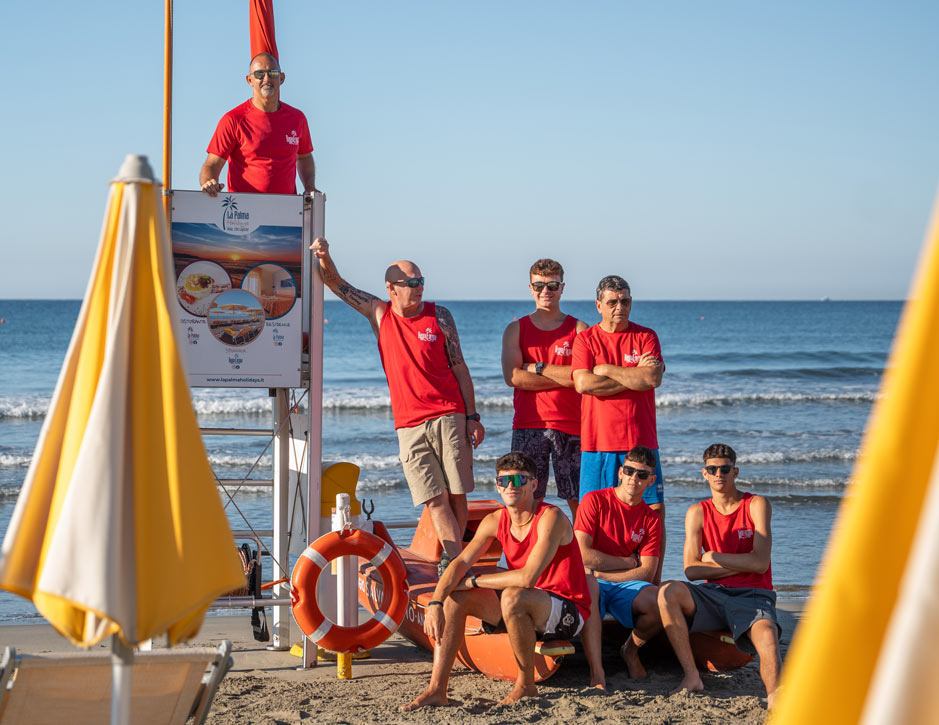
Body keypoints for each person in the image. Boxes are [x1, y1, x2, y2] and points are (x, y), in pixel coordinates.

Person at [310, 237, 483, 569]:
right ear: (392, 288)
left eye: (421, 281)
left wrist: (473, 416)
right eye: (411, 283)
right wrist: (325, 255)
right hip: (409, 424)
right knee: (433, 499)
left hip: (450, 414)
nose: (419, 288)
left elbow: (460, 367)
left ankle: (452, 562)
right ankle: (457, 562)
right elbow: (336, 283)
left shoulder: (440, 316)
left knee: (456, 493)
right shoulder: (379, 314)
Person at [400, 451, 591, 710]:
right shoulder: (495, 520)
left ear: (534, 484)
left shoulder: (551, 517)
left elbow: (527, 577)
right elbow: (459, 564)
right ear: (497, 486)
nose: (511, 486)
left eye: (519, 480)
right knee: (457, 599)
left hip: (566, 610)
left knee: (512, 595)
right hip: (522, 605)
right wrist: (435, 602)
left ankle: (526, 686)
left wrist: (475, 582)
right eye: (504, 481)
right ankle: (437, 689)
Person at [657, 443, 782, 707]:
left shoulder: (756, 504)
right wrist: (742, 564)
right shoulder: (697, 512)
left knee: (767, 634)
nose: (719, 474)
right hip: (713, 594)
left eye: (725, 469)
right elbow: (691, 570)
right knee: (668, 592)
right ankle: (692, 676)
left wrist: (713, 557)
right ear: (704, 473)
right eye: (712, 469)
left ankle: (774, 697)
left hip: (753, 595)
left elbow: (760, 564)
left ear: (735, 471)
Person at [571, 274, 666, 582]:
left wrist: (608, 370)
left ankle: (651, 587)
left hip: (642, 441)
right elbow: (584, 383)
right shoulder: (586, 339)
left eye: (625, 301)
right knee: (593, 519)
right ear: (599, 305)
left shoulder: (646, 336)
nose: (619, 308)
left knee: (654, 511)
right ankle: (593, 585)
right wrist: (632, 376)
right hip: (598, 444)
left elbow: (651, 380)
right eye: (612, 302)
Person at [501, 259, 587, 517]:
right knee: (526, 498)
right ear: (530, 287)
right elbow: (513, 377)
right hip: (529, 424)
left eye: (552, 285)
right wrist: (564, 374)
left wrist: (535, 368)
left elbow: (580, 378)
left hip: (571, 425)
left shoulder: (579, 329)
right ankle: (531, 554)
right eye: (539, 286)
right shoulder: (515, 329)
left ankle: (582, 555)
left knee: (578, 500)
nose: (545, 292)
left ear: (562, 288)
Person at [574, 445, 663, 689]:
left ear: (651, 480)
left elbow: (647, 572)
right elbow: (582, 554)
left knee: (659, 602)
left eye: (642, 474)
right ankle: (597, 672)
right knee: (591, 585)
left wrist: (602, 572)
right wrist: (627, 562)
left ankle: (630, 650)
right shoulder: (594, 501)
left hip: (623, 583)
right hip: (593, 581)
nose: (635, 478)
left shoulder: (651, 518)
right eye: (630, 471)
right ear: (620, 472)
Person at [200, 52, 316, 196]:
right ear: (249, 80)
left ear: (282, 78)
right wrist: (209, 182)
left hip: (287, 210)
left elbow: (304, 156)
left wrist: (310, 186)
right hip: (243, 213)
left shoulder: (297, 118)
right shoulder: (233, 120)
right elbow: (212, 163)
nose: (266, 78)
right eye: (259, 74)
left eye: (273, 73)